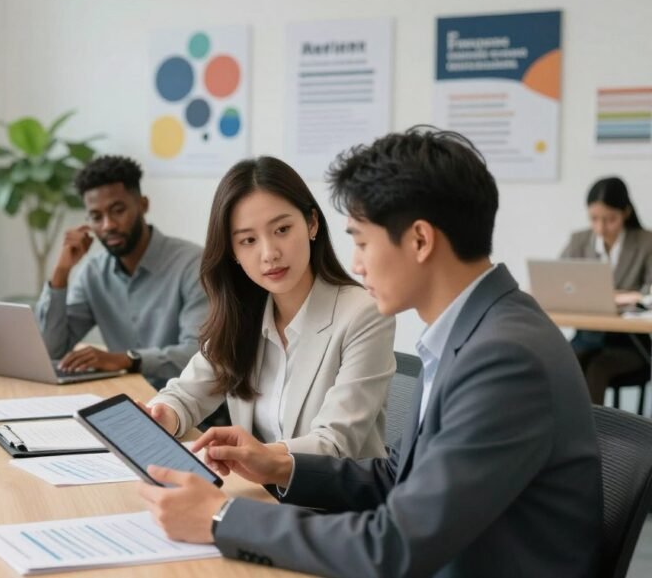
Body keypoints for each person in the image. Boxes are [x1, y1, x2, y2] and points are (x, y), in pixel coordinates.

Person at [138, 128, 602, 578]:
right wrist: (275, 462)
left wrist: (223, 518)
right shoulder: (473, 332)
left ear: (420, 240)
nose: (356, 263)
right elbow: (394, 476)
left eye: (361, 240)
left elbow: (395, 545)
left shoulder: (504, 358)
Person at [144, 156, 395, 458]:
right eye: (248, 240)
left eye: (282, 230)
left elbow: (335, 444)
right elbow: (185, 395)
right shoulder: (245, 314)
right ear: (233, 252)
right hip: (261, 496)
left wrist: (253, 457)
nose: (269, 254)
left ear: (312, 223)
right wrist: (165, 414)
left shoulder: (363, 314)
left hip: (336, 503)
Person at [36, 155, 208, 387]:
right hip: (126, 398)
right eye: (96, 217)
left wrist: (128, 360)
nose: (108, 225)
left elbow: (199, 356)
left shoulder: (194, 265)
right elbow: (50, 351)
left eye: (118, 210)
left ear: (143, 205)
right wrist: (61, 272)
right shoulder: (93, 273)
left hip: (190, 409)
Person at [561, 176, 652, 404]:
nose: (601, 228)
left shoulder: (646, 242)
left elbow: (649, 294)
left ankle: (594, 438)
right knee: (561, 361)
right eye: (594, 219)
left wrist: (626, 297)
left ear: (625, 213)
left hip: (629, 343)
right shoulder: (579, 241)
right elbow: (560, 283)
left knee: (596, 369)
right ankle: (560, 434)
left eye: (610, 219)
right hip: (586, 337)